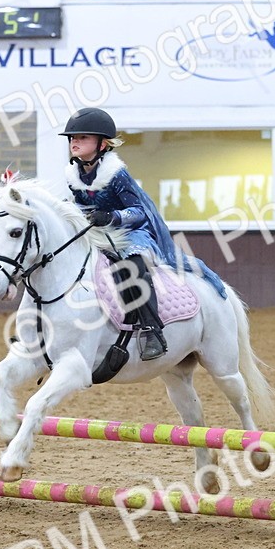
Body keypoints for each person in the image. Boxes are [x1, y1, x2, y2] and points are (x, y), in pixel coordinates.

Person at [61, 107, 175, 361]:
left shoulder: (117, 174)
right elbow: (79, 205)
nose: (74, 142)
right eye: (72, 138)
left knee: (132, 265)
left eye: (82, 138)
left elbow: (139, 211)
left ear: (102, 145)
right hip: (100, 233)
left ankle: (152, 331)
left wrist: (112, 217)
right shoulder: (73, 176)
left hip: (131, 232)